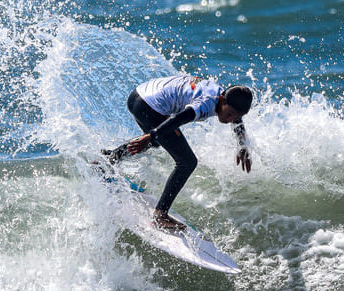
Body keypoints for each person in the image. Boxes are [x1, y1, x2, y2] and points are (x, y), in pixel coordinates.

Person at [103, 75, 253, 232]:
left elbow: (237, 119)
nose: (230, 120)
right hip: (149, 107)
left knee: (157, 140)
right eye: (229, 114)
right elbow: (178, 119)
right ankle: (160, 215)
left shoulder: (224, 95)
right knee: (187, 162)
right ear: (222, 100)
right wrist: (151, 135)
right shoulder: (205, 104)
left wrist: (242, 145)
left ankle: (109, 159)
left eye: (235, 116)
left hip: (139, 95)